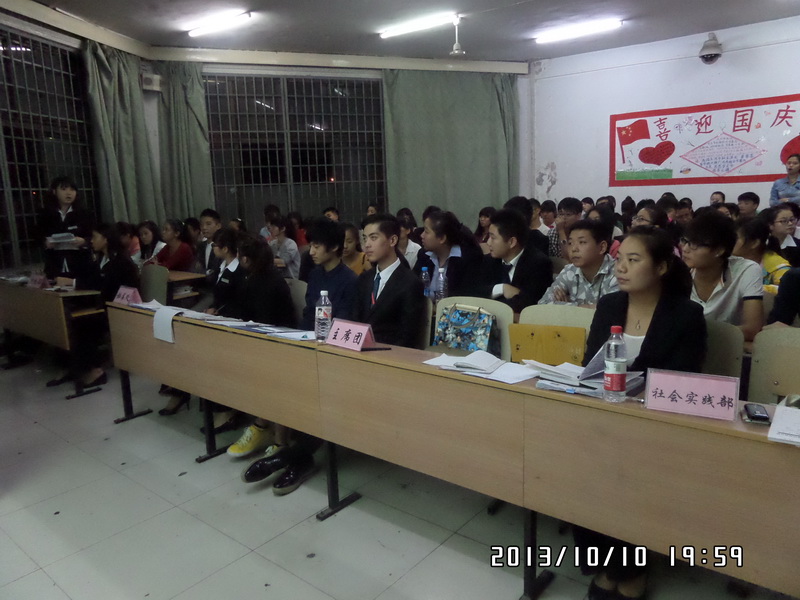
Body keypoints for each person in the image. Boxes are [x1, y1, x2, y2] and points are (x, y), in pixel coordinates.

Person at [578, 225, 706, 600]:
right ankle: (605, 564)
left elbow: (684, 382)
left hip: (656, 427)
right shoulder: (609, 305)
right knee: (579, 462)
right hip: (605, 418)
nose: (621, 268)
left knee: (630, 474)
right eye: (619, 259)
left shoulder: (686, 315)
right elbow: (590, 366)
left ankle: (629, 571)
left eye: (633, 260)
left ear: (662, 267)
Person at [225, 236, 298, 463]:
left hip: (281, 344)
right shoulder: (254, 278)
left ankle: (277, 437)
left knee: (270, 377)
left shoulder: (267, 282)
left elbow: (263, 321)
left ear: (246, 259)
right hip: (263, 341)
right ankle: (261, 424)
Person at [71, 223, 139, 387]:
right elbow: (93, 281)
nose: (91, 241)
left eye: (95, 237)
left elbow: (108, 287)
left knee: (84, 325)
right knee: (74, 319)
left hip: (121, 310)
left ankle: (96, 371)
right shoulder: (102, 259)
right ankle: (78, 368)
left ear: (106, 239)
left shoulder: (120, 261)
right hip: (106, 306)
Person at [681, 211, 763, 342]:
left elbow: (752, 329)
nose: (685, 249)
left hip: (728, 349)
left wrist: (692, 333)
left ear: (719, 250)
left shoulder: (746, 270)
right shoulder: (678, 273)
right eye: (685, 241)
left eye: (695, 244)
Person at [475, 209, 552, 312]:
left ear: (511, 242)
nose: (488, 243)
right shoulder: (489, 260)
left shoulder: (539, 264)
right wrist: (501, 288)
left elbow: (530, 303)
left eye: (493, 238)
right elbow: (474, 291)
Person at [540, 219, 618, 307]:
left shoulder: (618, 273)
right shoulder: (569, 270)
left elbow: (613, 310)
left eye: (582, 242)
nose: (574, 249)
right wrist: (587, 307)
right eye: (570, 243)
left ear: (602, 247)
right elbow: (544, 303)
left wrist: (567, 305)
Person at [413, 210, 483, 297]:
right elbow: (413, 286)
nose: (421, 235)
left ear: (442, 238)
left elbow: (466, 295)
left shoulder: (468, 259)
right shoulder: (424, 255)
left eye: (426, 232)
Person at [37, 176, 94, 279]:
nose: (68, 193)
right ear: (54, 191)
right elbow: (38, 236)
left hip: (80, 261)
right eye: (63, 189)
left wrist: (84, 241)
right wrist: (45, 243)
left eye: (72, 190)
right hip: (54, 261)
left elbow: (94, 236)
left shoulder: (84, 214)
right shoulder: (45, 214)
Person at [732, 217, 790, 294]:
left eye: (735, 238)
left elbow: (787, 292)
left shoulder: (780, 268)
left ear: (754, 243)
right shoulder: (729, 260)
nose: (729, 241)